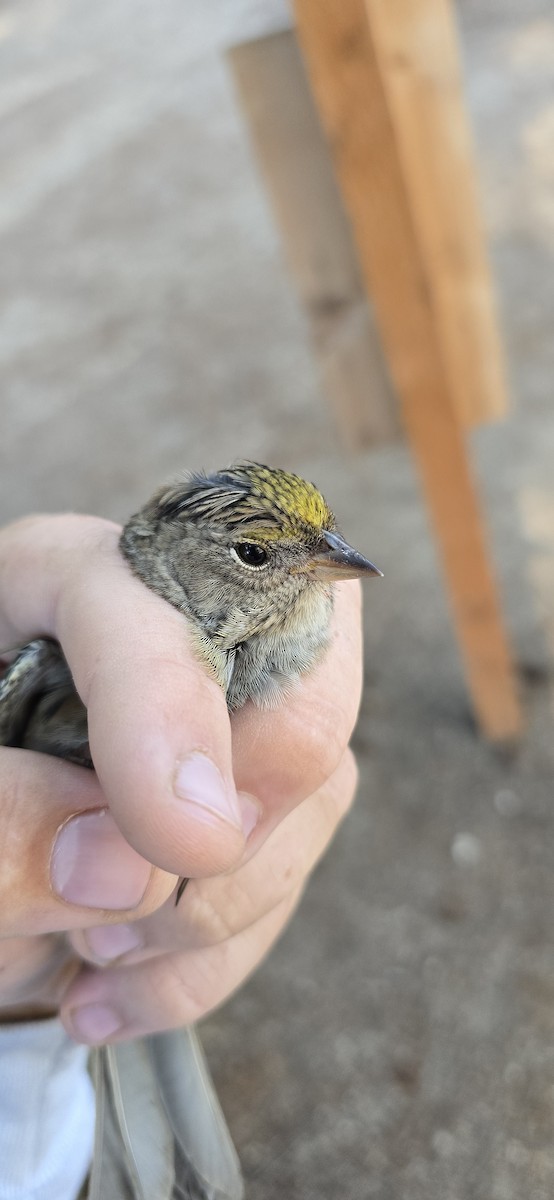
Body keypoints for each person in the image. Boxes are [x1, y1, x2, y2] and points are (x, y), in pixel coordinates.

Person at [0, 511, 362, 1200]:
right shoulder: (59, 658)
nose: (334, 563)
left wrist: (20, 1016)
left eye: (327, 539)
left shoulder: (280, 651)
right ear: (186, 562)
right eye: (255, 554)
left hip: (48, 1006)